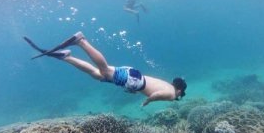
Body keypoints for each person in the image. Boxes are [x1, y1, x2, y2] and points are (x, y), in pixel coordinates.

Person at [24, 31, 187, 106]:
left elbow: (150, 86)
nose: (179, 96)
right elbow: (156, 93)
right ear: (179, 90)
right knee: (105, 69)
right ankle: (81, 41)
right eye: (181, 94)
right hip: (134, 80)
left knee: (97, 75)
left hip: (135, 78)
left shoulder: (168, 84)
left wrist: (135, 91)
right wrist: (148, 102)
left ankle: (66, 57)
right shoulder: (172, 94)